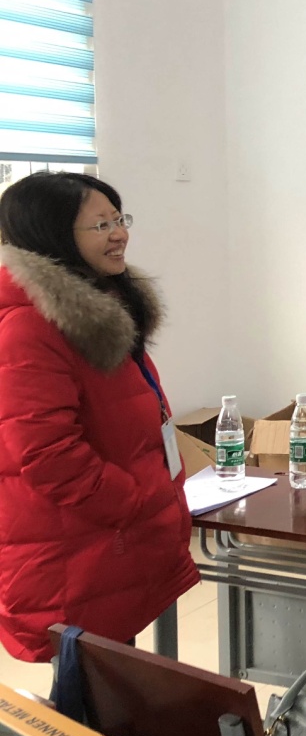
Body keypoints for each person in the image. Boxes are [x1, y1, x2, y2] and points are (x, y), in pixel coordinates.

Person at [0, 172, 200, 663]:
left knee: (115, 684)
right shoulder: (29, 327)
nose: (120, 234)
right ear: (53, 235)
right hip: (76, 552)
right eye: (101, 225)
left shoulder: (99, 308)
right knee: (87, 693)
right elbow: (49, 457)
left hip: (108, 545)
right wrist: (136, 502)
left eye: (119, 219)